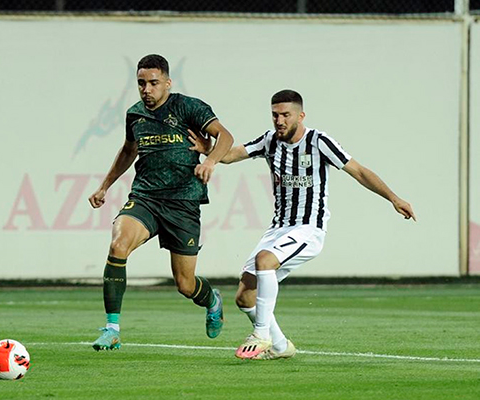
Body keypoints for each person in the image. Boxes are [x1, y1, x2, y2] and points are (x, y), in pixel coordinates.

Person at [188, 89, 415, 360]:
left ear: (301, 115)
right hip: (278, 228)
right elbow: (231, 156)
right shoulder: (270, 140)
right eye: (275, 115)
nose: (280, 121)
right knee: (245, 296)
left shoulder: (319, 141)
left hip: (309, 228)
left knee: (264, 260)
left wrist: (393, 198)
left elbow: (359, 171)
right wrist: (209, 150)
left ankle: (261, 334)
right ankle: (280, 346)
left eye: (286, 115)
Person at [87, 54, 234, 351]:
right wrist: (104, 186)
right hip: (146, 197)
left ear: (168, 82)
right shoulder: (134, 114)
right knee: (118, 245)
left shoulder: (188, 107)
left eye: (153, 83)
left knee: (185, 284)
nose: (147, 89)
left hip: (183, 203)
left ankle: (212, 300)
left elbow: (225, 137)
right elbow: (128, 151)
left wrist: (210, 161)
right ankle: (112, 329)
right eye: (141, 83)